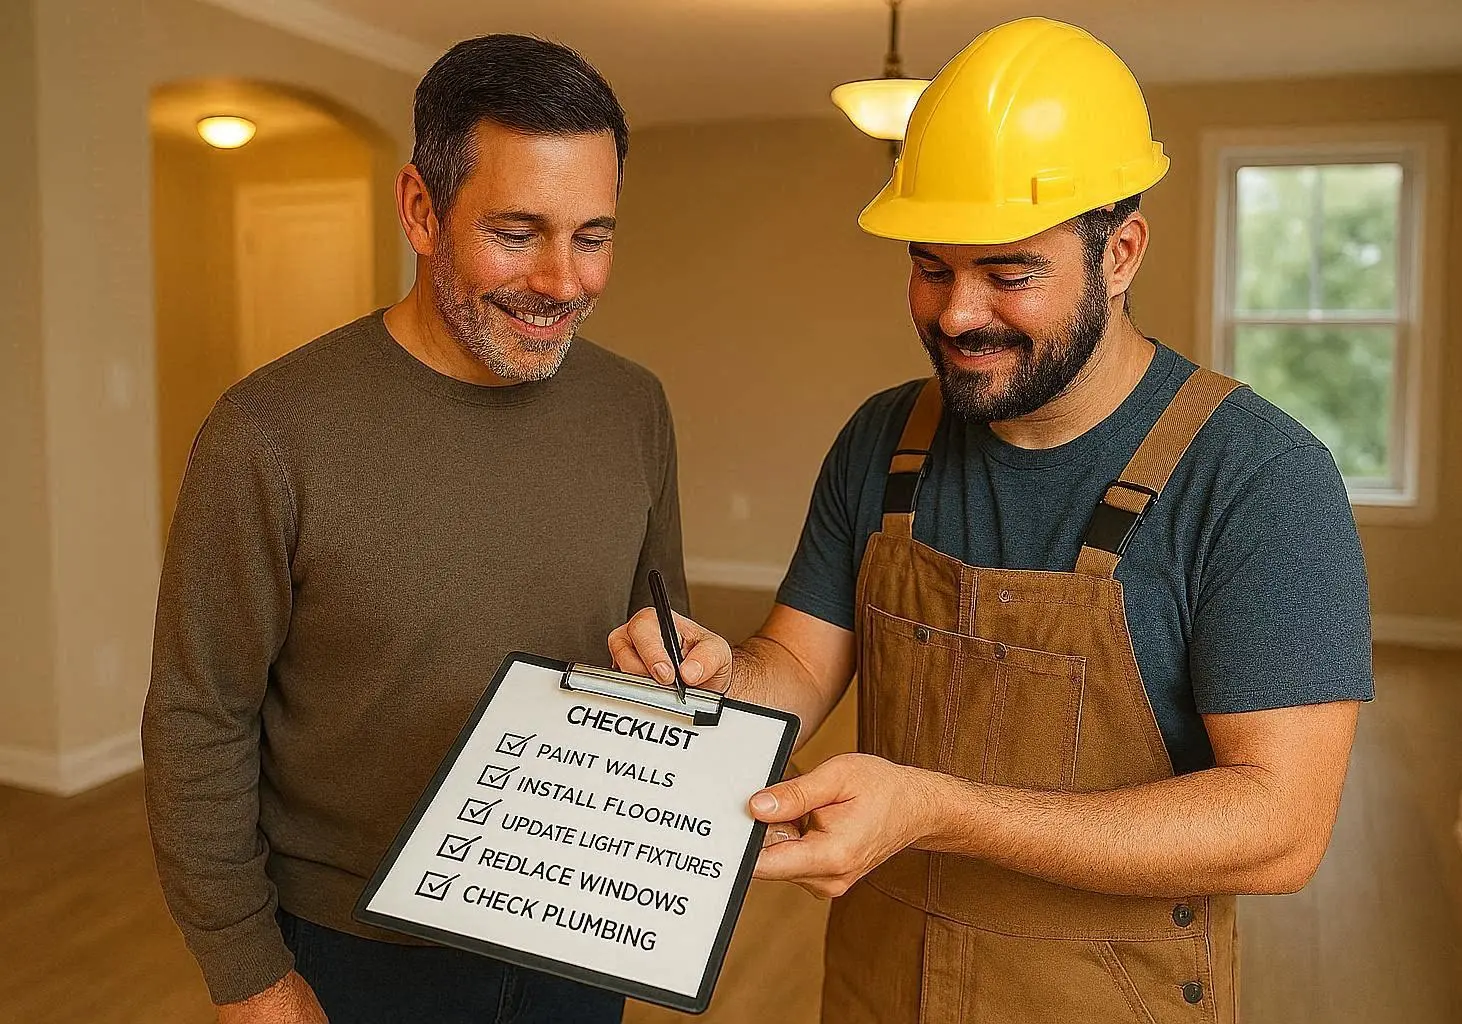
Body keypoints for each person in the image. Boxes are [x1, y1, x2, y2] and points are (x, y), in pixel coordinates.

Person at [609, 17, 1370, 1023]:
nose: (958, 312)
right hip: (875, 992)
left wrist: (939, 808)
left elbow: (1281, 828)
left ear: (1122, 251)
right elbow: (794, 667)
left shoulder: (1261, 477)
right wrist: (719, 679)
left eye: (1010, 274)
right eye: (931, 266)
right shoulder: (885, 438)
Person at [143, 34, 682, 1024]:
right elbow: (199, 716)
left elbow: (659, 626)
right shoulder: (266, 432)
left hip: (575, 921)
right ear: (420, 210)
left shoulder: (634, 406)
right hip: (355, 951)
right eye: (518, 232)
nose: (565, 281)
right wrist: (249, 974)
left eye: (593, 234)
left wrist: (682, 670)